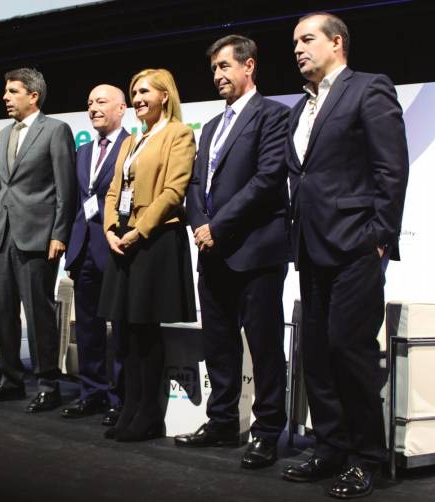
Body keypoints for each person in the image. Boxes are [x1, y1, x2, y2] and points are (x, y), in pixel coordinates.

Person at [283, 13, 408, 498]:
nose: (297, 48)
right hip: (310, 247)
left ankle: (366, 457)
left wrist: (379, 235)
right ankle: (330, 447)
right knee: (315, 353)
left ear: (337, 42)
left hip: (355, 243)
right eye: (295, 41)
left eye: (307, 39)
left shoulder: (368, 88)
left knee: (349, 351)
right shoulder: (301, 107)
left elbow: (391, 168)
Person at [174, 36, 291, 470]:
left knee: (263, 347)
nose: (218, 75)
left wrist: (216, 227)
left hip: (256, 250)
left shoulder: (274, 116)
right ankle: (222, 421)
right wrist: (199, 222)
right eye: (214, 69)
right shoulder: (210, 126)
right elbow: (194, 185)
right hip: (213, 253)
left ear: (249, 67)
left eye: (225, 66)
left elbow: (267, 181)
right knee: (218, 343)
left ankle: (266, 432)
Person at [99, 68, 197, 442]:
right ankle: (130, 406)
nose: (137, 99)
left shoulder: (179, 134)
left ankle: (149, 414)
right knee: (124, 331)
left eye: (143, 92)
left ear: (164, 96)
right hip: (123, 239)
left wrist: (140, 231)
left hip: (154, 241)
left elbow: (174, 191)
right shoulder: (132, 140)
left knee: (146, 331)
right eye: (133, 93)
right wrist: (110, 229)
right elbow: (113, 190)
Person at [0, 68, 76, 413]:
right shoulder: (4, 134)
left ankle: (48, 385)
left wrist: (59, 234)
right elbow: (1, 191)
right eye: (6, 91)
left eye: (12, 91)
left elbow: (67, 189)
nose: (5, 97)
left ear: (33, 95)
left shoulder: (56, 130)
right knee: (3, 311)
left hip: (38, 237)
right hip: (4, 234)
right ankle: (11, 380)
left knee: (38, 314)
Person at [61, 85, 129, 425]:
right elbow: (76, 202)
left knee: (120, 330)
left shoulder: (133, 146)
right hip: (83, 249)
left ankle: (120, 398)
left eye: (101, 102)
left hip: (115, 249)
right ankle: (92, 393)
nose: (93, 108)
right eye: (89, 103)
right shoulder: (83, 151)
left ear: (122, 108)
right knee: (86, 327)